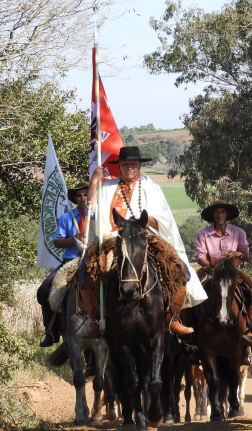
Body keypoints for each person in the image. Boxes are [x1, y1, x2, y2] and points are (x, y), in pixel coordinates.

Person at [87, 146, 206, 337]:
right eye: (125, 164)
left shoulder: (151, 187)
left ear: (140, 165)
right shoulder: (106, 187)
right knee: (87, 270)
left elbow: (164, 218)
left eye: (133, 164)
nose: (129, 168)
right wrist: (93, 182)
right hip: (113, 239)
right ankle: (96, 319)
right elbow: (91, 208)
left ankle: (171, 317)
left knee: (180, 270)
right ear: (119, 166)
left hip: (147, 238)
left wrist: (142, 221)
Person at [37, 181, 91, 347]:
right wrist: (73, 239)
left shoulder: (97, 215)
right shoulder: (68, 218)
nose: (82, 198)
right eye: (79, 195)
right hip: (71, 261)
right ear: (75, 198)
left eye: (85, 194)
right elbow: (57, 242)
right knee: (44, 289)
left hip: (94, 259)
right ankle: (52, 332)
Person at [195, 200, 252, 344]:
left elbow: (245, 254)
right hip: (211, 271)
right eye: (217, 212)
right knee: (191, 294)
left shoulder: (238, 232)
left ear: (227, 214)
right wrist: (209, 265)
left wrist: (236, 254)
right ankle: (191, 334)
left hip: (233, 271)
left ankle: (251, 331)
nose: (219, 215)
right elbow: (200, 256)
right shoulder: (204, 234)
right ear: (212, 215)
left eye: (222, 212)